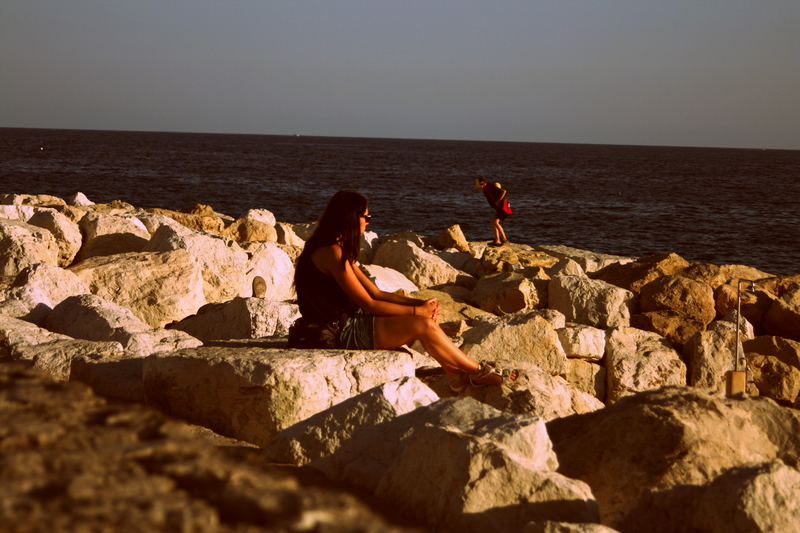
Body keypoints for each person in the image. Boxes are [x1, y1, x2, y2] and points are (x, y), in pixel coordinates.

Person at [293, 190, 518, 391]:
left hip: (347, 321)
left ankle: (456, 374)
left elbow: (376, 293)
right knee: (421, 323)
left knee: (425, 320)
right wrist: (417, 313)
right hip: (336, 332)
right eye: (367, 217)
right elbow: (368, 304)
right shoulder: (331, 252)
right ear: (352, 218)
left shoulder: (337, 248)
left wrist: (418, 305)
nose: (368, 223)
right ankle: (478, 372)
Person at [473, 177, 511, 246]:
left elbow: (504, 191)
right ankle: (497, 240)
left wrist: (498, 201)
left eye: (479, 187)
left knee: (495, 222)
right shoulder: (486, 190)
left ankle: (505, 239)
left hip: (502, 208)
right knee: (493, 222)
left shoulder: (490, 187)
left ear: (484, 184)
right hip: (499, 208)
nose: (478, 189)